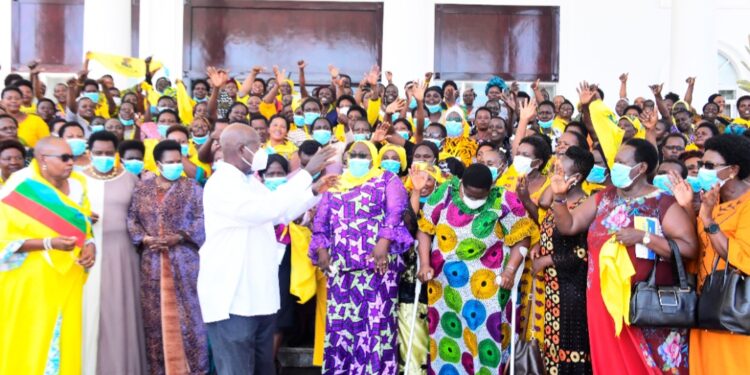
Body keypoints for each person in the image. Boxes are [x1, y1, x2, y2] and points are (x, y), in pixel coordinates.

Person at [549, 138, 698, 374]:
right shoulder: (604, 197)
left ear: (641, 169)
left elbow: (689, 248)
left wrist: (644, 237)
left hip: (643, 304)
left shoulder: (662, 202)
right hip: (602, 301)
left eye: (620, 162)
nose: (614, 166)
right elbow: (569, 225)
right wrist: (559, 197)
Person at [198, 124, 335, 374]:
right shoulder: (221, 183)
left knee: (263, 368)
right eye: (257, 147)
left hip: (259, 297)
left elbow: (278, 214)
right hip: (233, 298)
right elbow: (266, 209)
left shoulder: (249, 181)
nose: (261, 151)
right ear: (241, 150)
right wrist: (305, 173)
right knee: (237, 369)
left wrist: (313, 191)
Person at [416, 163, 533, 374]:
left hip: (490, 281)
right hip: (446, 283)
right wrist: (424, 263)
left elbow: (523, 237)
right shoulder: (445, 193)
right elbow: (424, 229)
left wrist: (510, 271)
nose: (474, 200)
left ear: (492, 187)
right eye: (470, 194)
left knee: (487, 340)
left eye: (481, 196)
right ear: (461, 184)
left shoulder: (504, 199)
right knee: (447, 337)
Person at [310, 140, 413, 374]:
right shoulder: (335, 183)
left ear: (373, 157)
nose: (357, 158)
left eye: (363, 154)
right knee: (342, 327)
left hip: (377, 267)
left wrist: (383, 243)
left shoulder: (387, 179)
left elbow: (395, 212)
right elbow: (320, 222)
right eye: (353, 154)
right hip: (341, 269)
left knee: (376, 327)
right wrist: (322, 251)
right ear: (345, 158)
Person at [0, 137, 95, 374]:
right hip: (30, 277)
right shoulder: (20, 185)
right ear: (43, 159)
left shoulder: (79, 184)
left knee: (66, 338)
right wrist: (47, 243)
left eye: (71, 157)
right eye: (64, 158)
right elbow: (4, 240)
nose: (70, 162)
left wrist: (90, 245)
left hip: (68, 276)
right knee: (30, 341)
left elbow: (83, 224)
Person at [127, 140, 209, 375]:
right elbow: (132, 218)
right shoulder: (142, 189)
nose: (175, 166)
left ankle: (194, 369)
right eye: (170, 162)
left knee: (191, 319)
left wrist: (180, 236)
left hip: (185, 261)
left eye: (178, 161)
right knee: (155, 319)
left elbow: (203, 219)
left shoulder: (193, 188)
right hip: (151, 262)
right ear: (158, 164)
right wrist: (144, 239)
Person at [80, 131, 146, 375]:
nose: (104, 157)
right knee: (89, 313)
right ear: (90, 152)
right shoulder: (77, 179)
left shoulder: (130, 179)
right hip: (86, 254)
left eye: (109, 153)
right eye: (99, 153)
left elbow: (141, 217)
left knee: (121, 313)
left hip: (123, 255)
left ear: (117, 154)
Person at [689, 134, 750, 374]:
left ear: (733, 170)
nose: (702, 171)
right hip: (707, 310)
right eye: (702, 165)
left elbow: (742, 257)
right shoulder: (711, 202)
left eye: (709, 166)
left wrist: (707, 220)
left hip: (737, 313)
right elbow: (697, 253)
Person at [533, 146, 594, 375]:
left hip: (572, 291)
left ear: (576, 178)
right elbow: (546, 211)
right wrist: (540, 245)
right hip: (551, 288)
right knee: (550, 344)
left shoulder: (584, 207)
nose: (554, 170)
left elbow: (584, 253)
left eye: (560, 168)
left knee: (569, 347)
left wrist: (549, 259)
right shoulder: (559, 203)